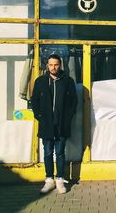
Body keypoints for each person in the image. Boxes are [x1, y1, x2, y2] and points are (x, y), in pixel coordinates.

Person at [31, 54, 78, 194]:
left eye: (56, 64)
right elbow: (34, 101)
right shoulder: (40, 81)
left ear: (60, 65)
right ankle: (49, 180)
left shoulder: (68, 81)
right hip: (47, 124)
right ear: (47, 65)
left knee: (60, 153)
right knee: (47, 152)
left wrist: (68, 117)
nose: (53, 67)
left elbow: (73, 102)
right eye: (51, 65)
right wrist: (39, 116)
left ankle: (60, 179)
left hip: (61, 124)